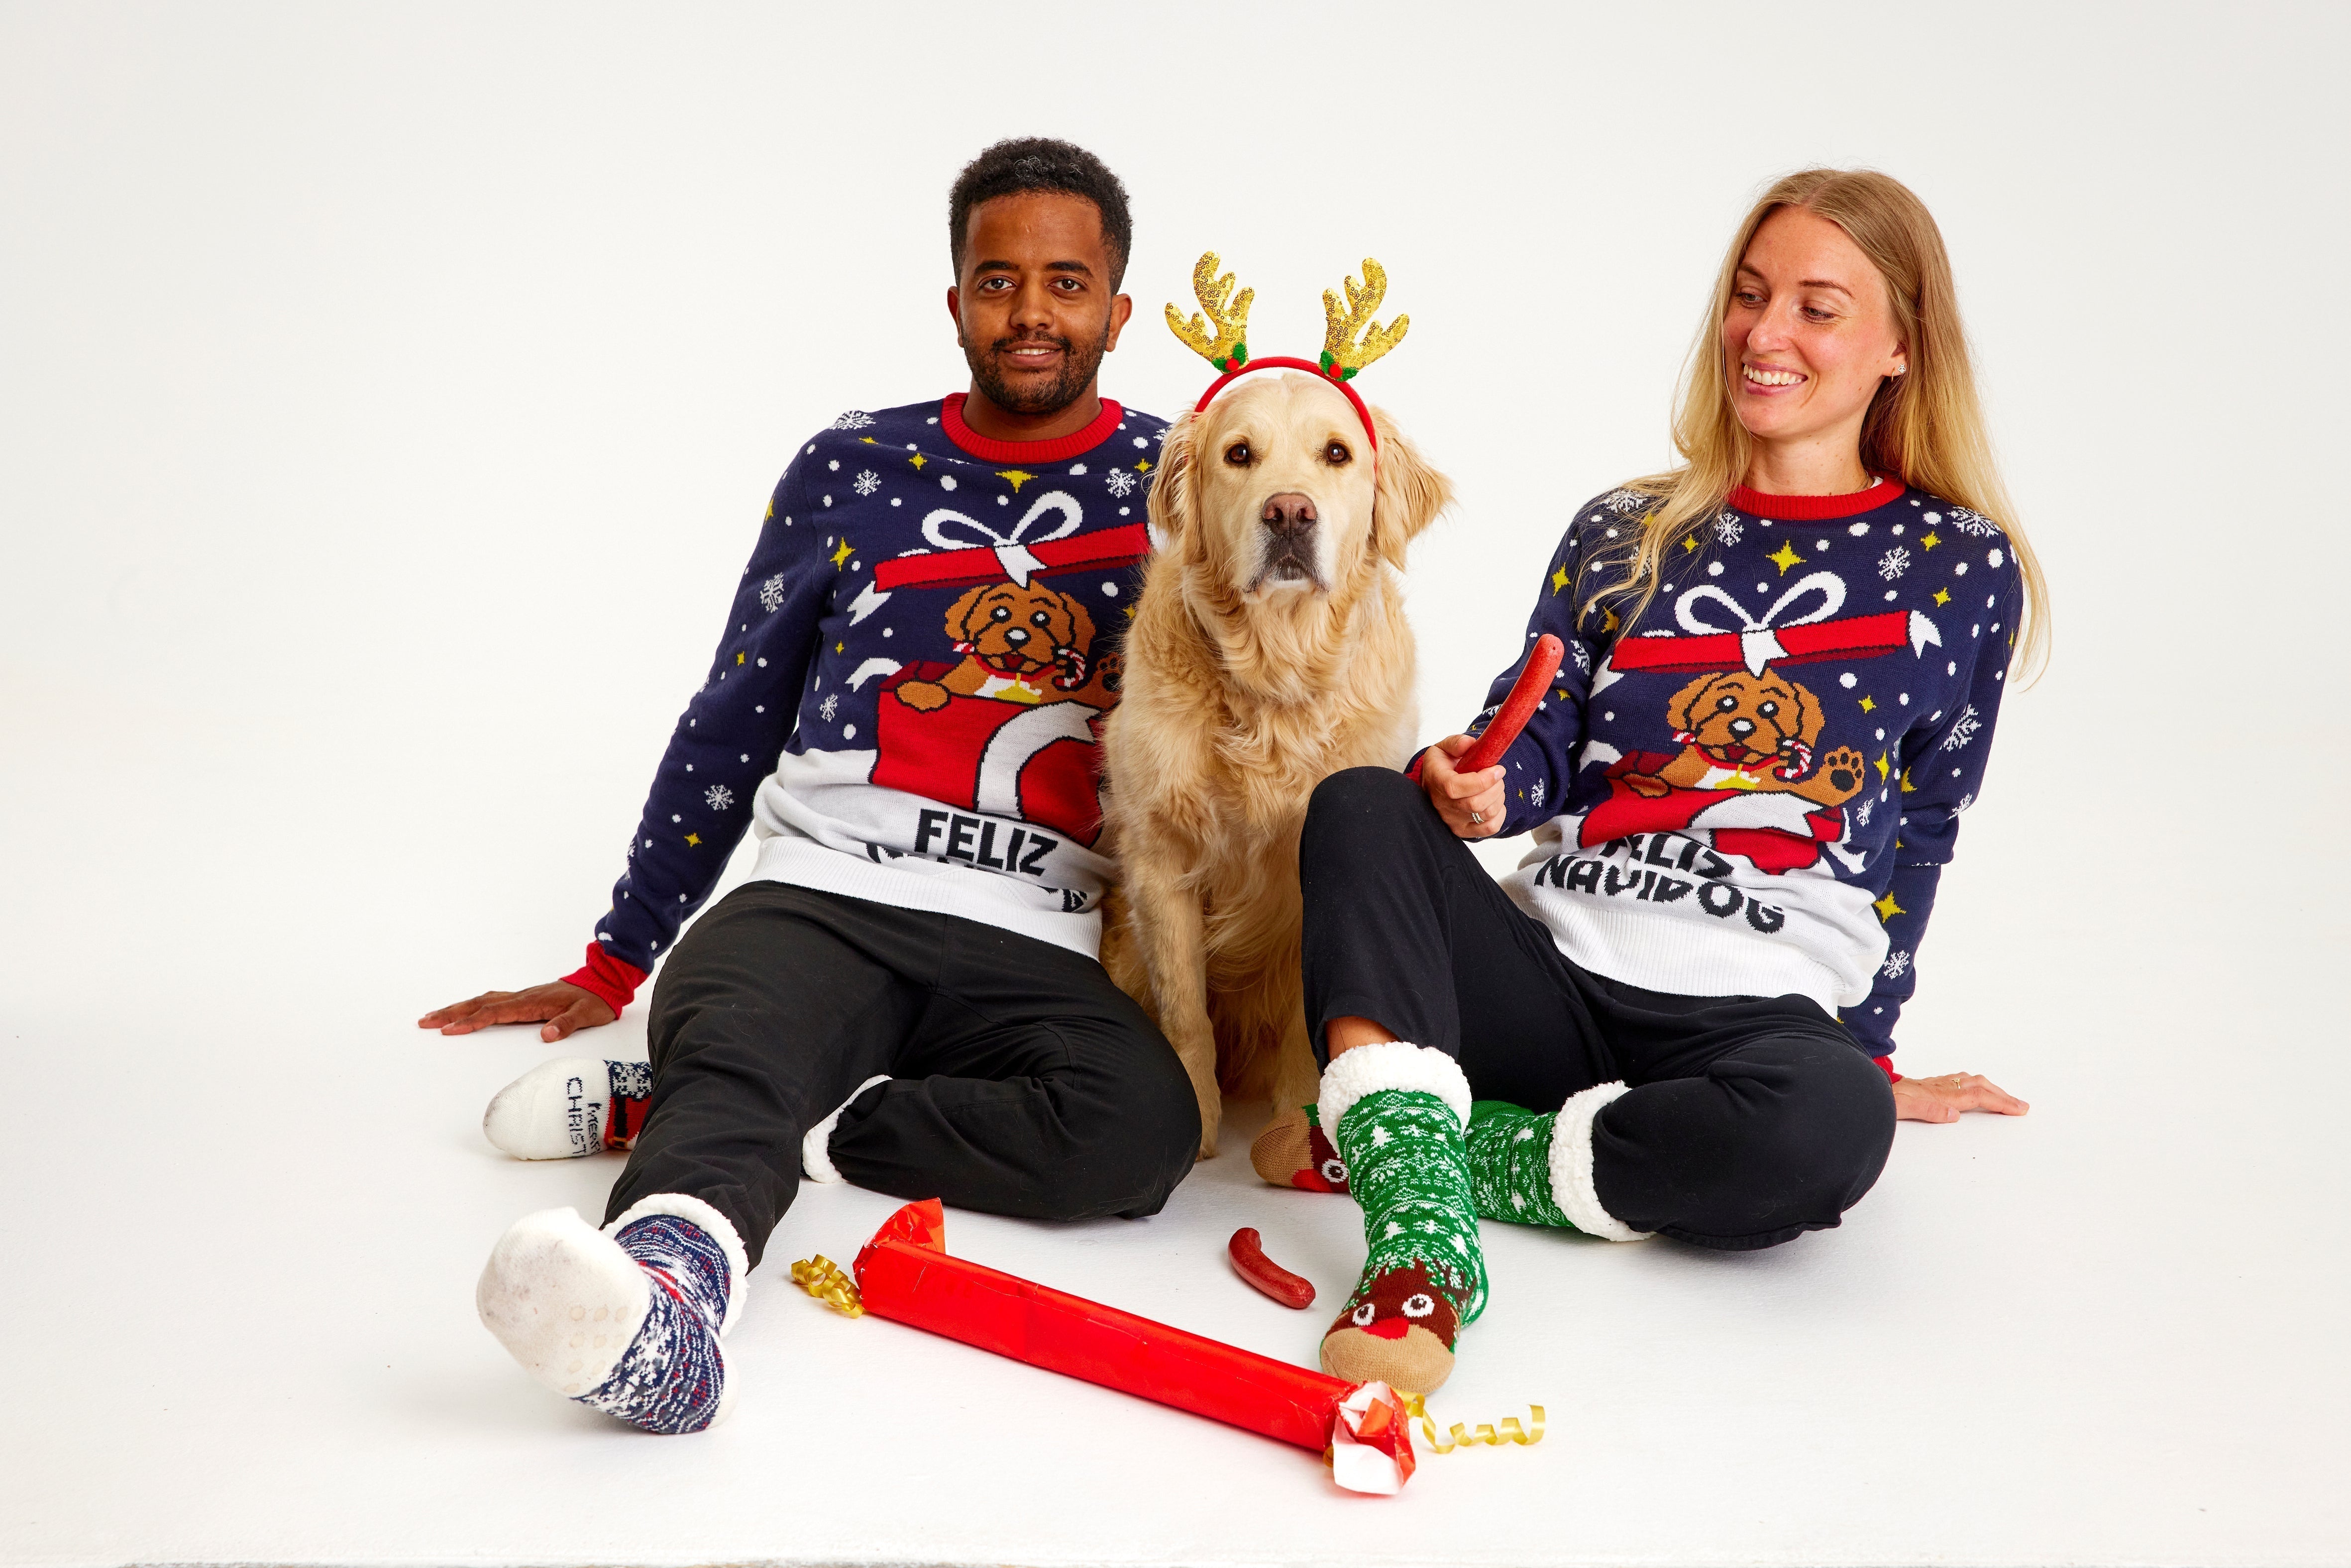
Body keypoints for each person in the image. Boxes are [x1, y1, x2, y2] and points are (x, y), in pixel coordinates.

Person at [420, 138, 1199, 1434]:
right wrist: (616, 962)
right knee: (734, 1060)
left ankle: (789, 1112)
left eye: (1065, 284)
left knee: (1139, 1137)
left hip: (1040, 939)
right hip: (822, 898)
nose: (1029, 313)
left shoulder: (1180, 479)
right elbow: (734, 716)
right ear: (953, 301)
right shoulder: (851, 467)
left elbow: (1255, 710)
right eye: (997, 281)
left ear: (1117, 312)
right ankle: (666, 1315)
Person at [1256, 168, 2048, 1395]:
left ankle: (1434, 1146)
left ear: (1901, 345)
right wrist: (1478, 784)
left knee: (1835, 1127)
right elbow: (1534, 741)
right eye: (1748, 297)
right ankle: (1420, 1246)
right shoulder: (1622, 528)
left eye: (1816, 307)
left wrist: (1873, 1051)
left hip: (1744, 1018)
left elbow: (1928, 824)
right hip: (1548, 976)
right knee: (1360, 802)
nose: (1765, 334)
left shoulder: (1959, 565)